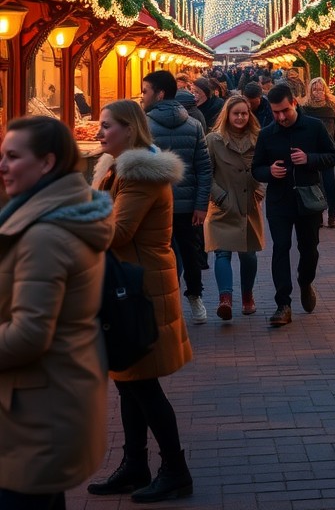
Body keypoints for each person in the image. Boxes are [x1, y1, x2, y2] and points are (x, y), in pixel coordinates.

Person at [0, 116, 114, 510]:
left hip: (34, 410)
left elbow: (29, 335)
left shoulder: (45, 235)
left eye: (13, 157)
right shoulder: (60, 215)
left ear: (46, 163)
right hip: (52, 397)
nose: (2, 166)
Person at [89, 100, 193, 503]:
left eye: (106, 126)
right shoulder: (118, 169)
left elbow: (118, 233)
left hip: (140, 289)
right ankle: (136, 464)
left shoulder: (140, 176)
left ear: (130, 130)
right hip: (128, 285)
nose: (99, 133)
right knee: (128, 383)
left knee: (144, 386)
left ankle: (176, 470)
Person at [252, 83, 335, 326]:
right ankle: (283, 304)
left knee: (309, 248)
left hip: (308, 200)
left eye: (285, 111)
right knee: (280, 249)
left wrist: (309, 159)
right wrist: (269, 171)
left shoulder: (313, 127)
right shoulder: (267, 133)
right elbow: (256, 168)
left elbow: (333, 155)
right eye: (276, 112)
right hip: (279, 202)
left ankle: (305, 281)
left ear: (294, 104)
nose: (280, 117)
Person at [141, 70, 212, 324]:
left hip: (155, 206)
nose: (142, 96)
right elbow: (204, 168)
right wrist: (201, 205)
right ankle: (195, 298)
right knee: (191, 254)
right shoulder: (194, 125)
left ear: (159, 94)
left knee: (159, 255)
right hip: (188, 205)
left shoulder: (143, 126)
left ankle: (164, 304)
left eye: (145, 91)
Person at [204, 95, 265, 319]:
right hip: (223, 205)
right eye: (236, 113)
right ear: (227, 115)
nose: (240, 117)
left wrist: (260, 190)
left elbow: (265, 167)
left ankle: (247, 295)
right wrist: (219, 196)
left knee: (248, 254)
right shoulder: (213, 140)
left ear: (249, 116)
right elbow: (205, 172)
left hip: (248, 204)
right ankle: (225, 299)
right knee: (222, 253)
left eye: (244, 113)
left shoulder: (258, 139)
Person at [301, 77, 335, 227]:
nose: (318, 92)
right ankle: (317, 214)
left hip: (328, 151)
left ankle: (332, 214)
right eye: (315, 89)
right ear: (310, 91)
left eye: (320, 89)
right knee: (315, 184)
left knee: (330, 184)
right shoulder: (304, 108)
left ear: (325, 91)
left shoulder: (332, 107)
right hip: (311, 152)